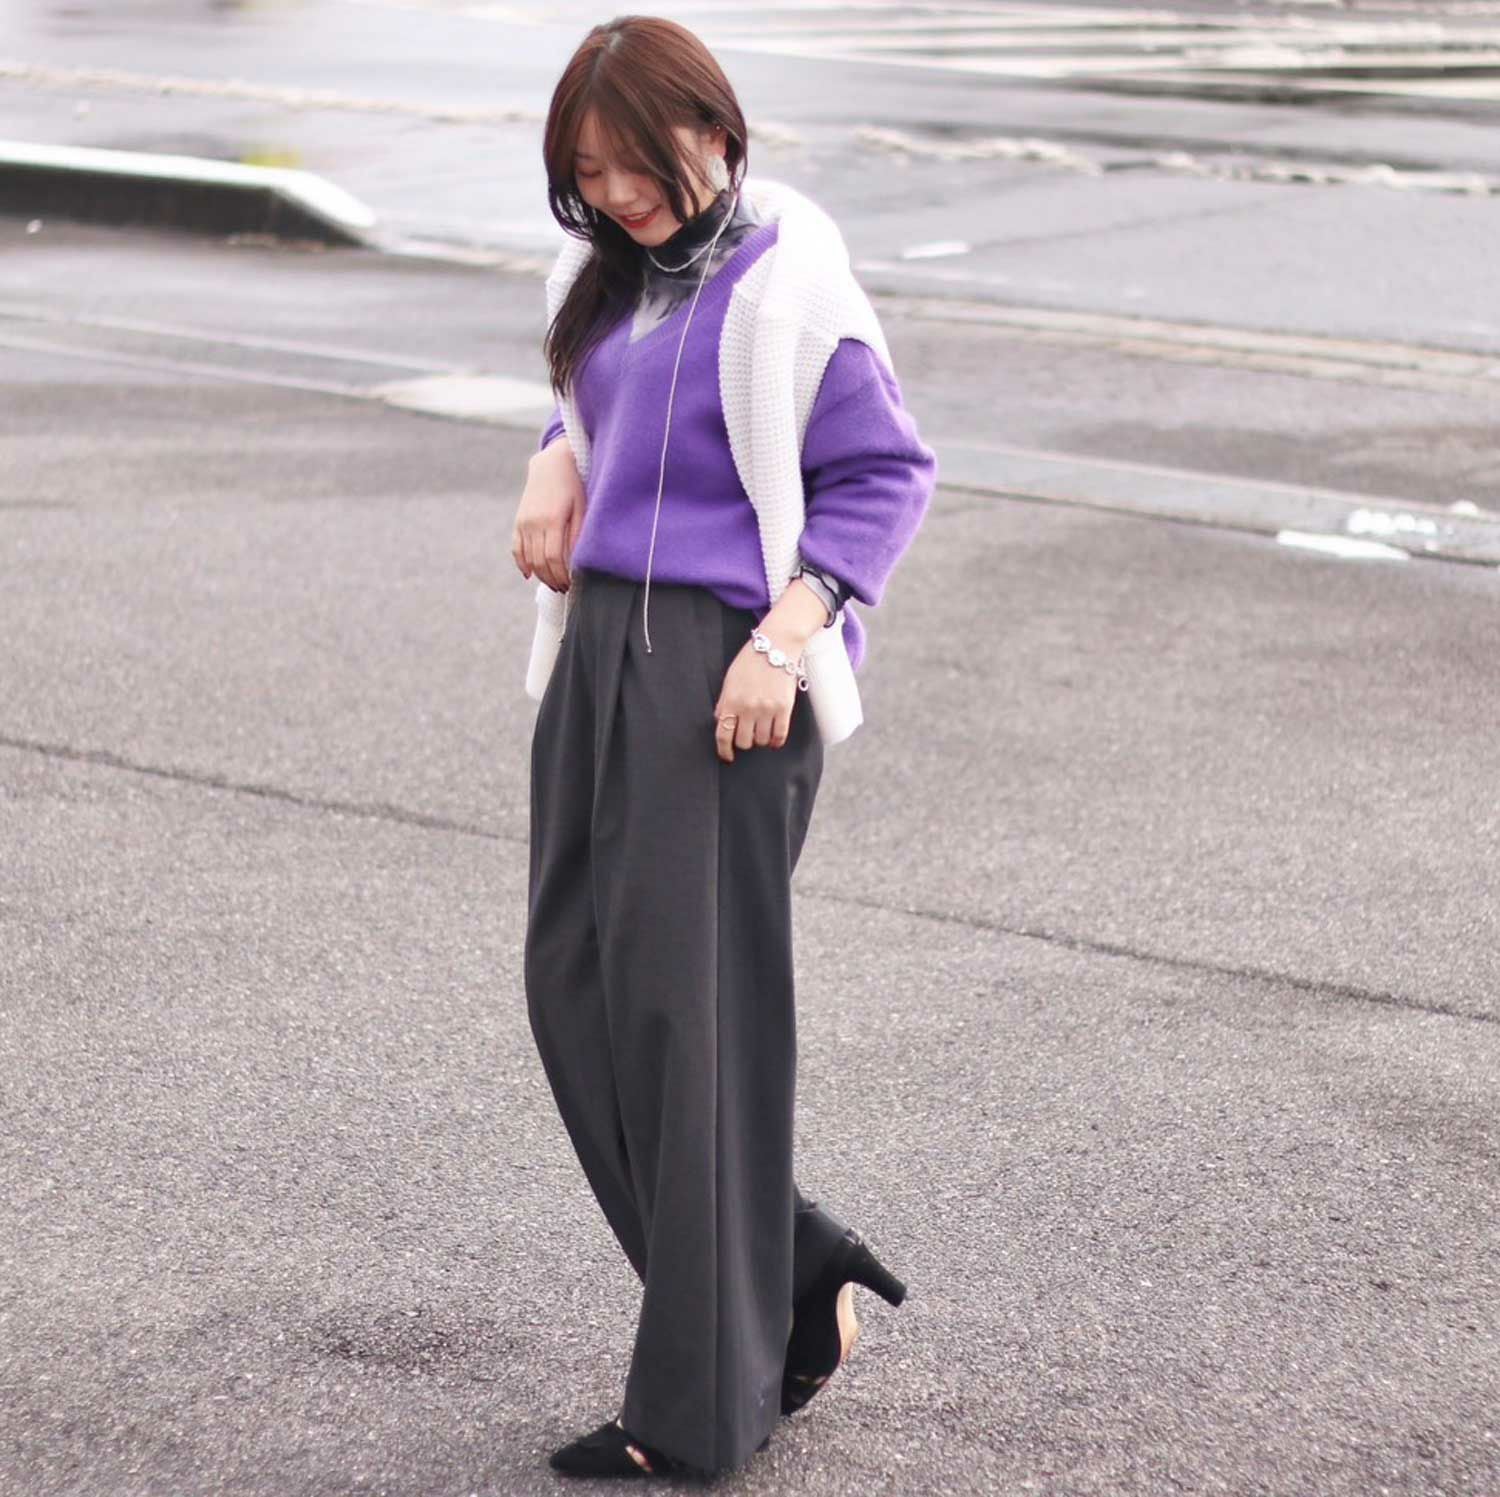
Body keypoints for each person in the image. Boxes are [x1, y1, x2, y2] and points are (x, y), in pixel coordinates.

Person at [511, 14, 937, 1481]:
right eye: (587, 173)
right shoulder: (597, 273)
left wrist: (788, 636)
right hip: (598, 660)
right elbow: (593, 405)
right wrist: (552, 457)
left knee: (688, 1027)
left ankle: (696, 1410)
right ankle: (795, 1270)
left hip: (726, 670)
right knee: (575, 990)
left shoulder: (791, 281)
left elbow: (886, 472)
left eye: (639, 162)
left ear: (714, 130)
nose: (619, 194)